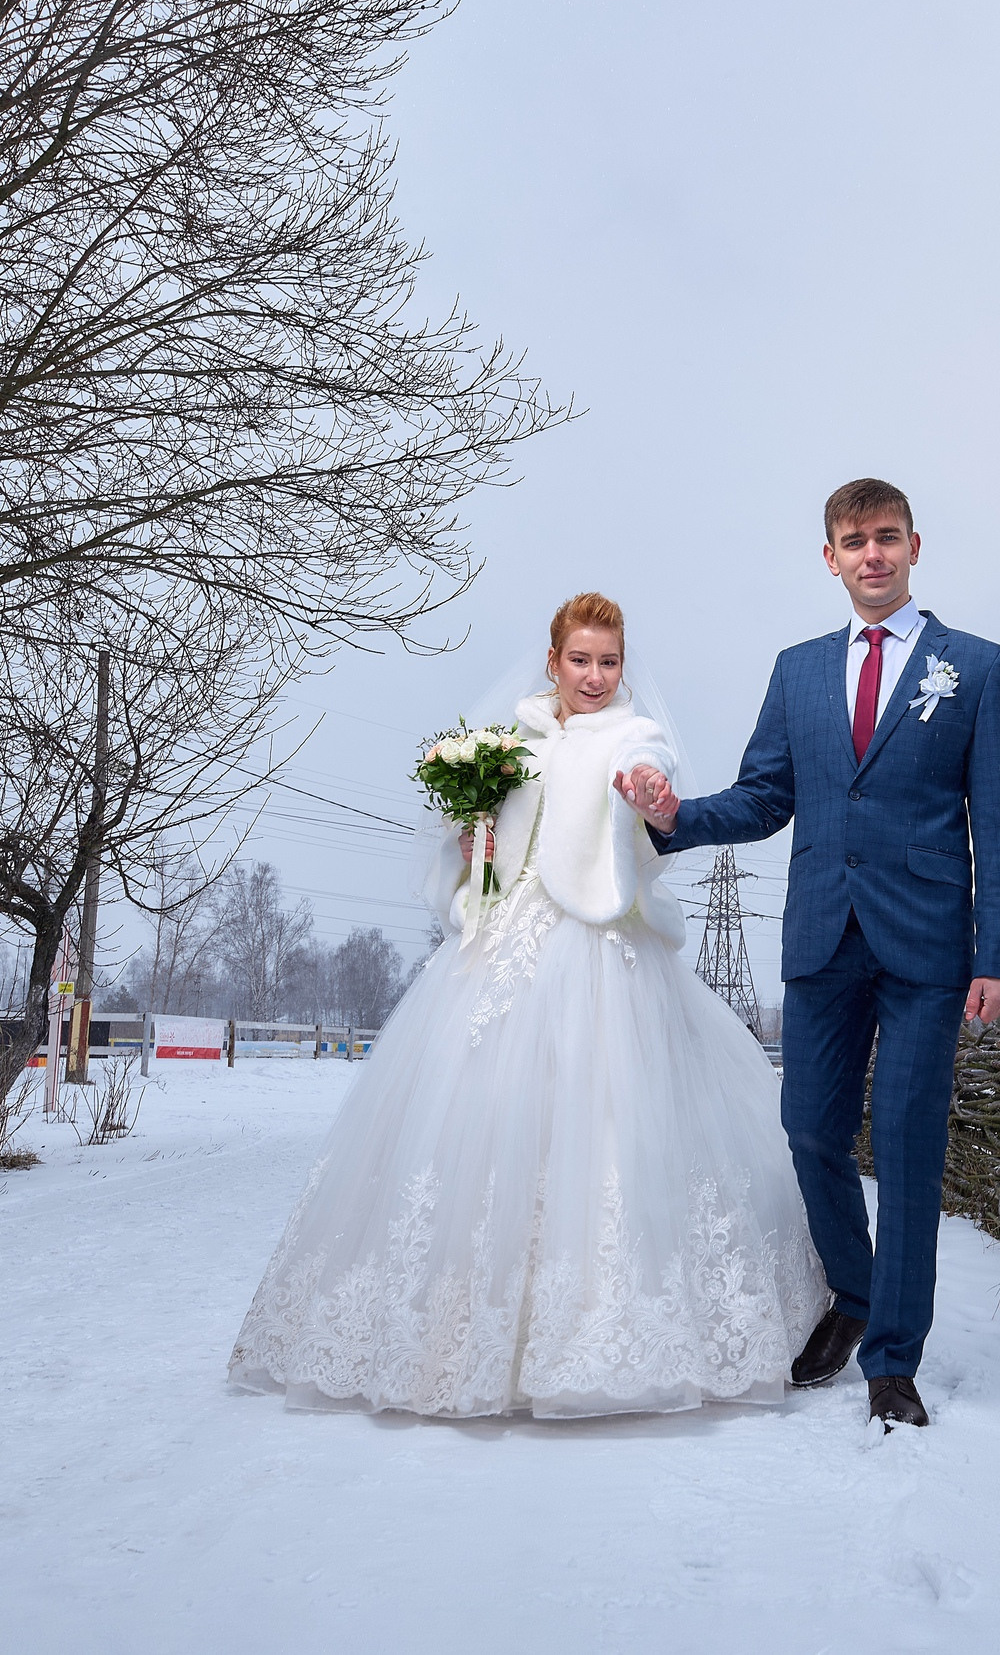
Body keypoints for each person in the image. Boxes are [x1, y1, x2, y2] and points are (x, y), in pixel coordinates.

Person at [227, 593, 826, 1418]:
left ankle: (607, 1328)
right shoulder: (510, 739)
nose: (594, 675)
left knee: (611, 1119)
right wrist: (471, 838)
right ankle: (458, 1334)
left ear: (623, 666)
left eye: (608, 661)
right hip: (505, 937)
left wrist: (652, 796)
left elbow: (654, 792)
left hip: (599, 944)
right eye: (580, 660)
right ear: (554, 661)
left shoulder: (633, 735)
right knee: (481, 1115)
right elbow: (477, 839)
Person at [616, 479, 1000, 1429]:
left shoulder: (978, 666)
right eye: (854, 541)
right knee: (808, 1134)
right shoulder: (797, 670)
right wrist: (675, 818)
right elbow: (764, 797)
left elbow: (999, 820)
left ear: (916, 548)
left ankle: (891, 1358)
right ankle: (853, 1291)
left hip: (929, 944)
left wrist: (998, 954)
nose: (871, 554)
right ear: (830, 557)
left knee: (912, 1149)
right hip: (821, 937)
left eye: (887, 538)